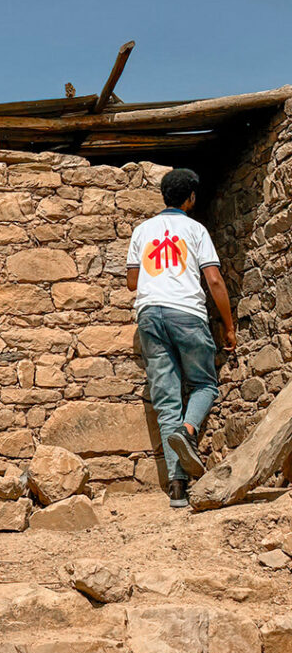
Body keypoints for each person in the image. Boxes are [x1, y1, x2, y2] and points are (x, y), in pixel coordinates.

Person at [126, 168, 236, 509]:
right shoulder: (195, 229)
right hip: (186, 313)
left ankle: (177, 488)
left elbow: (132, 282)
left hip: (149, 316)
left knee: (167, 397)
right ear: (190, 198)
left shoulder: (142, 230)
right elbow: (214, 280)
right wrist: (229, 325)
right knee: (204, 384)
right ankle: (187, 431)